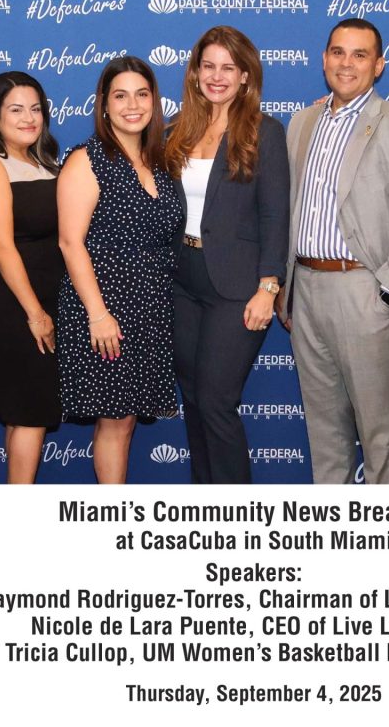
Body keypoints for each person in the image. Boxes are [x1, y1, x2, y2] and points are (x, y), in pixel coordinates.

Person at [275, 18, 389, 484]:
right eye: (338, 52)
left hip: (364, 289)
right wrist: (287, 286)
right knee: (324, 432)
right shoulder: (302, 122)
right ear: (323, 59)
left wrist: (388, 291)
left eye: (359, 55)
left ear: (379, 65)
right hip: (305, 289)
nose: (346, 63)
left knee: (378, 434)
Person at [165, 26, 289, 484]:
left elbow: (275, 214)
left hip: (237, 286)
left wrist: (269, 287)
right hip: (182, 281)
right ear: (195, 73)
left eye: (228, 68)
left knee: (216, 401)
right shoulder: (175, 131)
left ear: (245, 76)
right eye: (209, 66)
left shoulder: (264, 132)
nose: (217, 76)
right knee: (194, 398)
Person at [57, 57, 182, 484]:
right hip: (105, 309)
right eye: (121, 96)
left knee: (125, 420)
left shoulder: (161, 161)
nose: (133, 105)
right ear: (104, 105)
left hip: (150, 309)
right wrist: (97, 314)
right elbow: (70, 242)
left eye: (142, 94)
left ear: (154, 101)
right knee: (114, 420)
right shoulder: (87, 159)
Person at [0, 72, 63, 484]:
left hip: (43, 298)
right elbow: (2, 247)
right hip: (12, 305)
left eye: (35, 109)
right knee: (31, 412)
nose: (28, 118)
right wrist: (35, 313)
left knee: (25, 411)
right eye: (16, 110)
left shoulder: (44, 163)